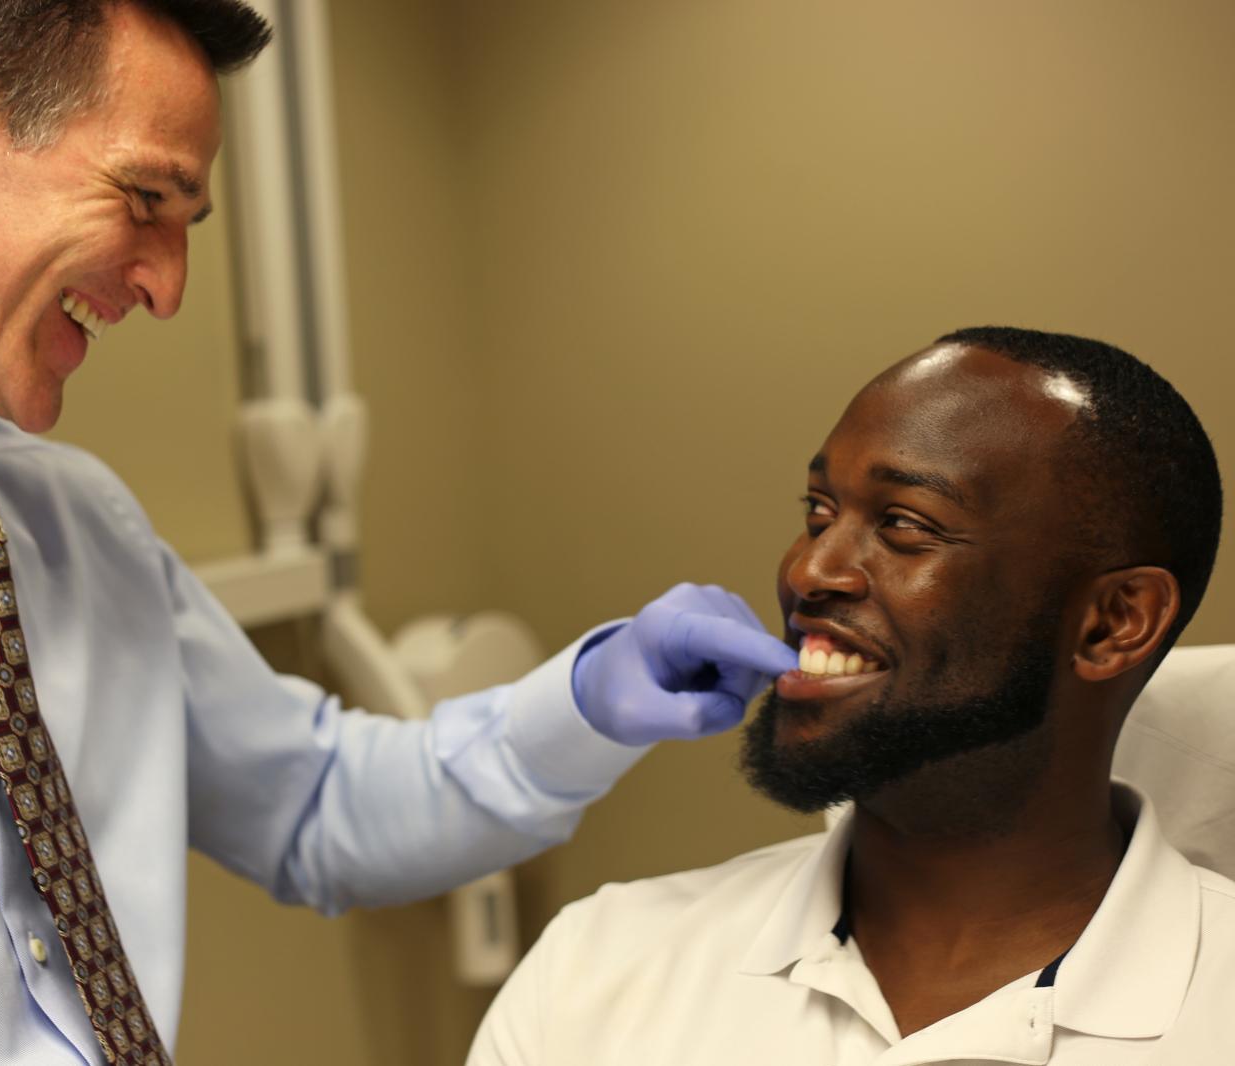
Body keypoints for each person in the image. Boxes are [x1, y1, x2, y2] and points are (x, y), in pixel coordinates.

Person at [0, 1, 797, 1062]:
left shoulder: (73, 523)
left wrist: (591, 698)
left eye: (186, 222)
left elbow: (318, 805)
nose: (168, 285)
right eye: (145, 201)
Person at [467, 327, 1232, 1065]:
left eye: (905, 525)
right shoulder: (596, 970)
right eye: (818, 512)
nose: (808, 571)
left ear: (1112, 624)